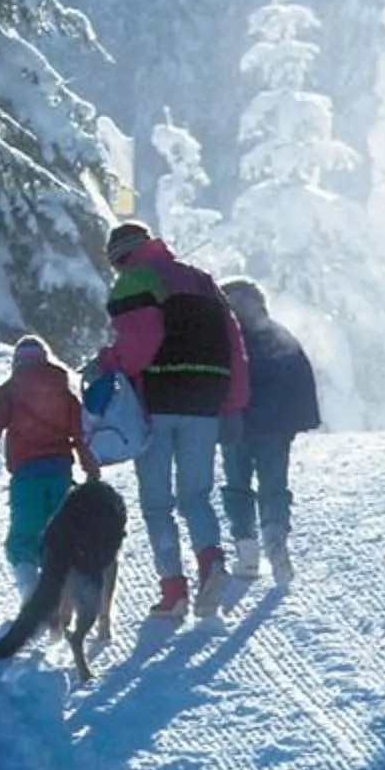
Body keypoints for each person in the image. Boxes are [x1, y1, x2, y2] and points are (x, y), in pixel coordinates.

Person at [91, 218, 248, 618]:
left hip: (157, 400)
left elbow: (140, 345)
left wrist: (107, 361)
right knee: (195, 496)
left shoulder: (133, 280)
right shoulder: (202, 280)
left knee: (157, 503)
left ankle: (174, 592)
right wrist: (233, 404)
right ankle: (211, 561)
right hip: (206, 402)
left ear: (118, 257)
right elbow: (234, 345)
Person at [0, 337, 101, 590]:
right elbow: (81, 434)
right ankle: (64, 596)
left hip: (27, 476)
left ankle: (32, 599)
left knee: (24, 538)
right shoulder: (63, 392)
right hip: (60, 474)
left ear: (16, 363)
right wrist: (91, 470)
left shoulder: (9, 391)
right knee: (61, 536)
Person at [217, 277, 320, 581]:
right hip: (276, 428)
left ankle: (246, 548)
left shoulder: (224, 339)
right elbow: (301, 377)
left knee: (237, 487)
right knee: (274, 486)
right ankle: (276, 541)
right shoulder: (277, 335)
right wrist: (303, 419)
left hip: (236, 425)